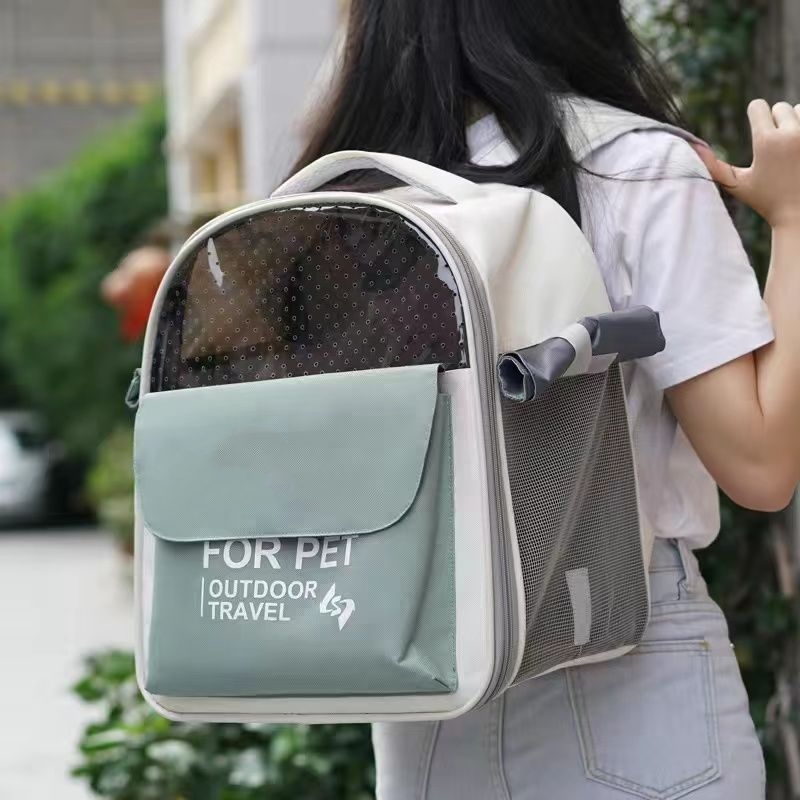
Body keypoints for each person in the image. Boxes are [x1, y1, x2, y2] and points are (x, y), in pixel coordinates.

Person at [290, 2, 800, 797]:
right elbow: (760, 466)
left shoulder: (346, 199)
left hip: (428, 680)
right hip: (631, 661)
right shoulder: (631, 164)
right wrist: (794, 217)